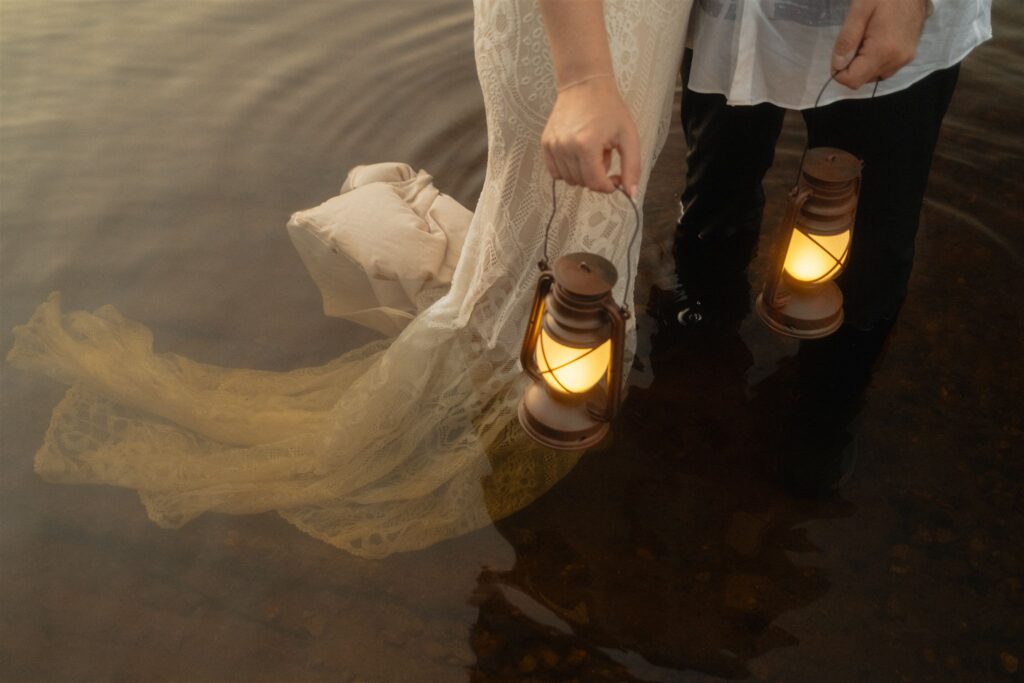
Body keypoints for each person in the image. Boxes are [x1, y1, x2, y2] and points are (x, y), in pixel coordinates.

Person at [6, 0, 694, 557]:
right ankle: (522, 396)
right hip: (588, 32)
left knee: (566, 228)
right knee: (573, 216)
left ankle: (530, 376)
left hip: (626, 28)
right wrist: (583, 79)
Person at [543, 0, 992, 495]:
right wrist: (583, 77)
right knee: (715, 190)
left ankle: (828, 409)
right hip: (727, 12)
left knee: (873, 235)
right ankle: (702, 341)